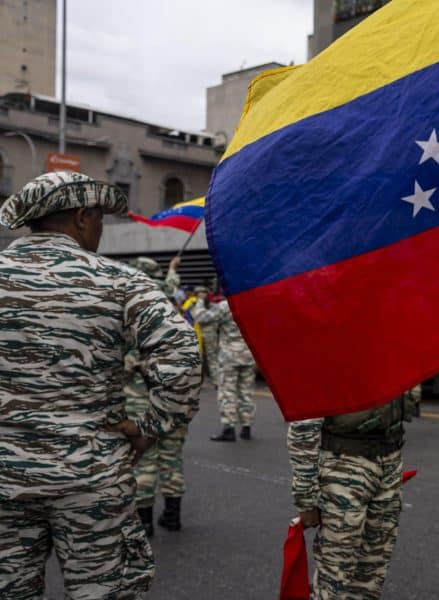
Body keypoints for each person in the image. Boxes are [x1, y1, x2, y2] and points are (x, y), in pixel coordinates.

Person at [0, 171, 201, 598]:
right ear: (81, 217)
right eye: (99, 221)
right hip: (91, 477)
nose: (100, 232)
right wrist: (152, 425)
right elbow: (182, 354)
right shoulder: (121, 282)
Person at [287, 385, 419, 599]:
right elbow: (304, 427)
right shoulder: (326, 354)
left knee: (372, 570)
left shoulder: (390, 353)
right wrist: (306, 499)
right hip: (344, 467)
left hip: (389, 460)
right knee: (335, 575)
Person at [124, 347, 198, 536]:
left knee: (144, 462)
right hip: (177, 408)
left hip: (145, 409)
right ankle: (173, 516)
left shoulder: (140, 339)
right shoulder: (181, 338)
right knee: (172, 459)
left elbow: (123, 370)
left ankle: (145, 522)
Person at [192, 296, 257, 441]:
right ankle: (246, 428)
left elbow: (201, 317)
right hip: (248, 354)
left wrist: (201, 301)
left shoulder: (226, 305)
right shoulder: (252, 303)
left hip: (229, 356)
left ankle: (229, 429)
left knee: (227, 392)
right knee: (246, 392)